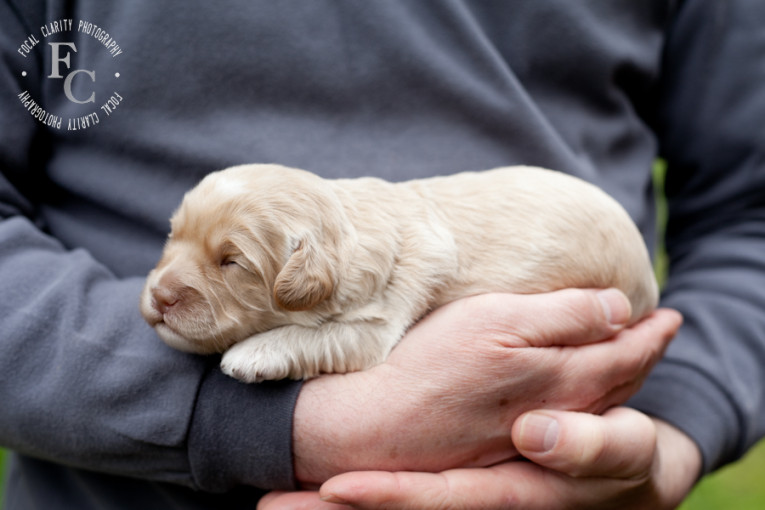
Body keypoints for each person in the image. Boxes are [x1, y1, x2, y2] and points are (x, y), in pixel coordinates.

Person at [1, 1, 763, 509]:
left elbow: (750, 212)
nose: (166, 285)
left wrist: (669, 429)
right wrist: (239, 418)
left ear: (305, 273)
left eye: (228, 263)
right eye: (176, 240)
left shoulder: (344, 268)